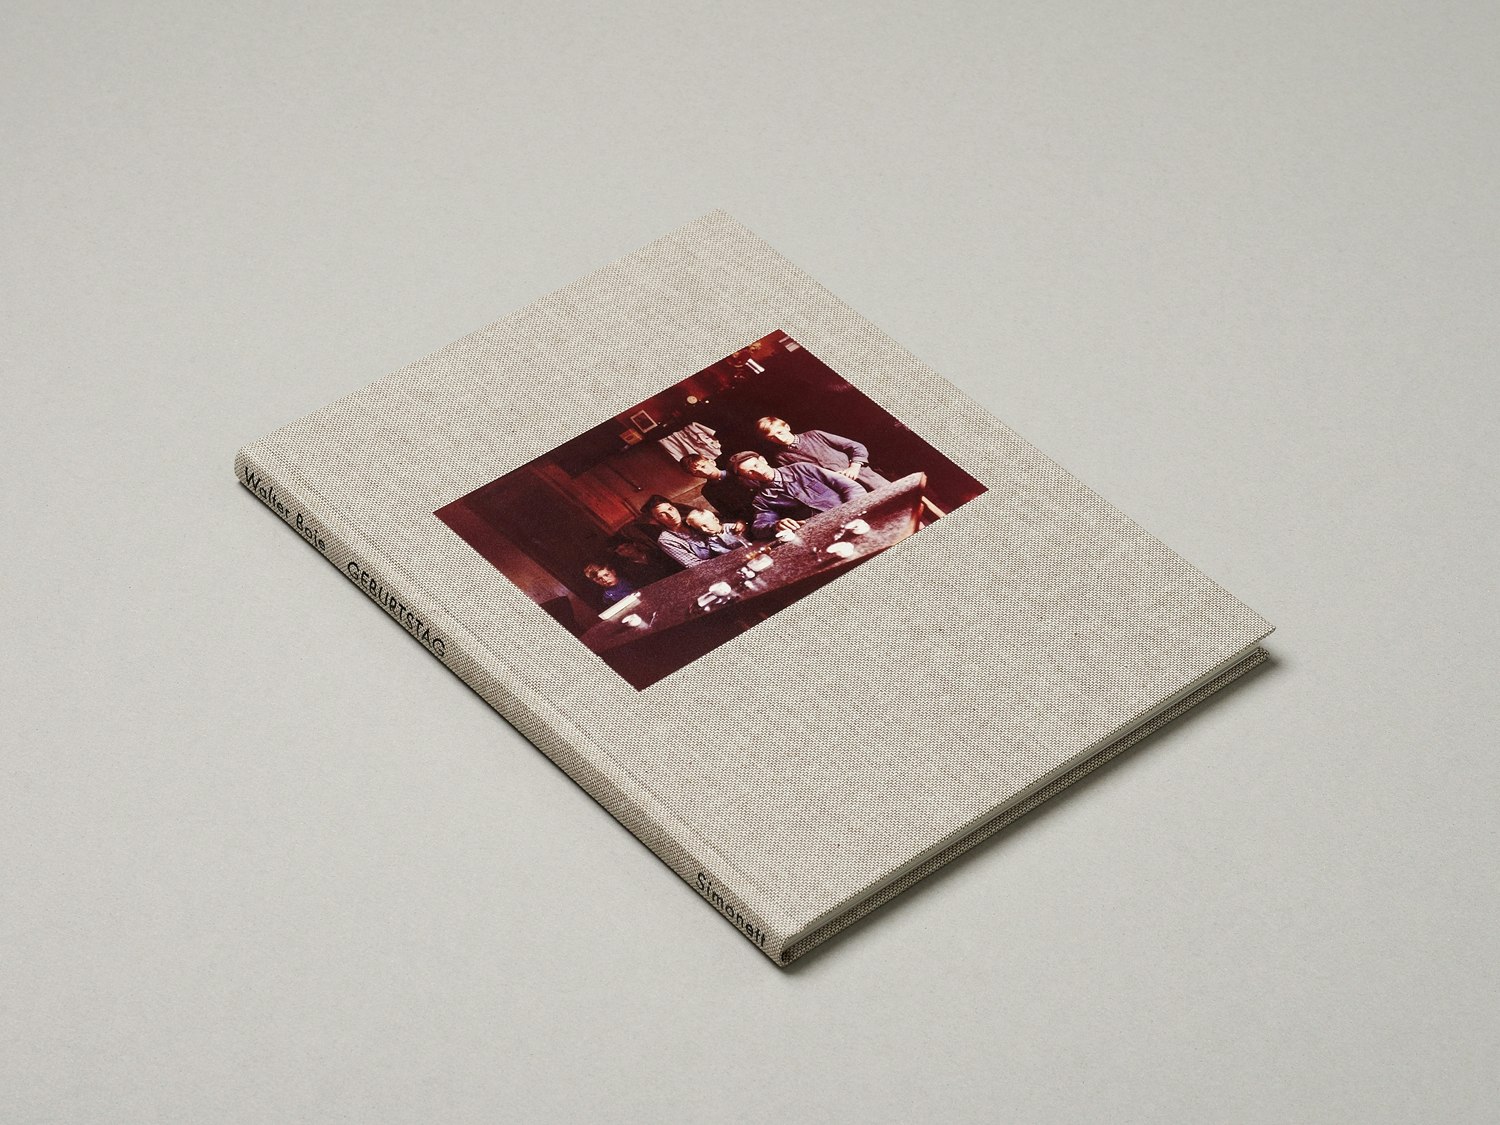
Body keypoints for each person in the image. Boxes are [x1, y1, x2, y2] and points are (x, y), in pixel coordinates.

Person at [728, 451, 866, 537]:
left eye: (756, 466)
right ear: (746, 477)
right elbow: (758, 528)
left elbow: (850, 487)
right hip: (820, 531)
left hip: (853, 514)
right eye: (750, 472)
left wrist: (852, 510)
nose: (758, 472)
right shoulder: (762, 499)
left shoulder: (802, 468)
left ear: (763, 460)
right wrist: (775, 525)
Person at [756, 416, 891, 491]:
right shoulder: (781, 457)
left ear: (787, 427)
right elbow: (805, 479)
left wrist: (854, 467)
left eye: (779, 432)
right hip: (843, 489)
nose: (779, 438)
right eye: (772, 437)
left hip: (864, 475)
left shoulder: (814, 435)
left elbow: (855, 446)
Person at [647, 496, 748, 569]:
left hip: (738, 554)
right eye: (662, 515)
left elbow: (721, 522)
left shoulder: (692, 519)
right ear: (656, 520)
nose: (671, 515)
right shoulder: (666, 540)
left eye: (670, 509)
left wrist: (741, 522)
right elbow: (693, 564)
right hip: (715, 568)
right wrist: (729, 562)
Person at [682, 454, 758, 524]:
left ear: (712, 462)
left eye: (703, 467)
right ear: (695, 476)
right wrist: (740, 521)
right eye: (697, 472)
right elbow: (727, 513)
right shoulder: (708, 491)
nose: (704, 472)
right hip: (750, 519)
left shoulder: (737, 471)